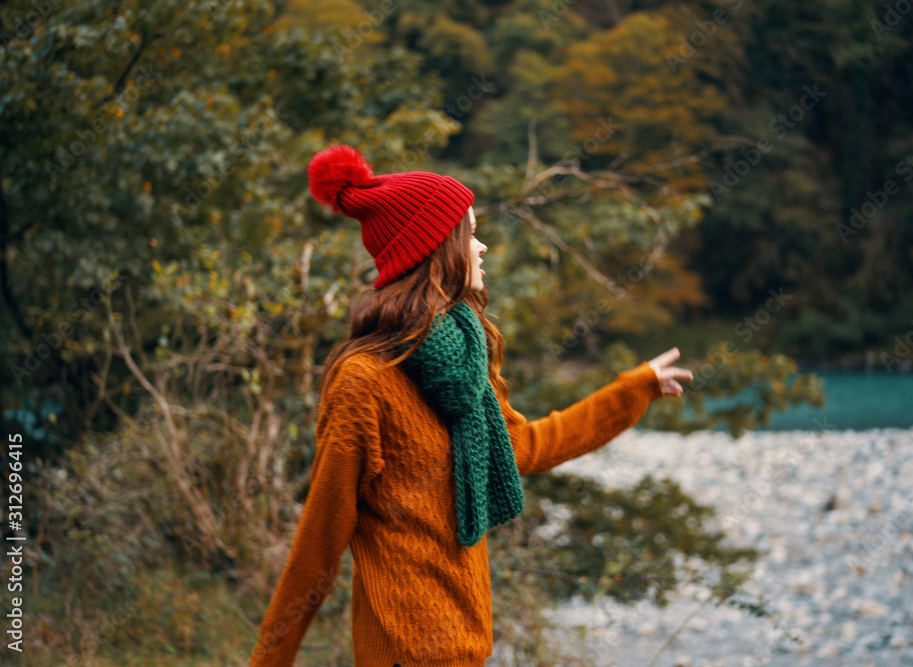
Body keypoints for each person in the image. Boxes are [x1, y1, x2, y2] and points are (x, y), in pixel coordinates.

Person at [247, 145, 693, 666]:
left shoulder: (469, 357)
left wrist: (631, 391)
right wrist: (268, 660)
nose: (482, 248)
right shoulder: (363, 381)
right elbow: (322, 534)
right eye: (471, 234)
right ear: (435, 248)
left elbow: (526, 445)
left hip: (467, 646)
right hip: (401, 652)